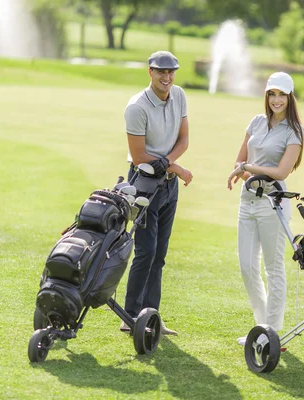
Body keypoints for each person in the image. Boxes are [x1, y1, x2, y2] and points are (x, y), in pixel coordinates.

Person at [227, 72, 304, 345]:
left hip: (274, 204)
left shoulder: (294, 131)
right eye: (272, 94)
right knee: (248, 266)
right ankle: (261, 328)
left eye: (282, 94)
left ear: (290, 97)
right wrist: (249, 173)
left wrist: (249, 169)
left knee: (273, 268)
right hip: (248, 201)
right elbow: (239, 159)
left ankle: (272, 333)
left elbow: (281, 171)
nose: (276, 100)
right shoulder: (257, 122)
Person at [121, 50, 193, 335]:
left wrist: (171, 166)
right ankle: (130, 317)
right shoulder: (137, 107)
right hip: (144, 183)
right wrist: (176, 168)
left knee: (159, 254)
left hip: (168, 185)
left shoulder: (180, 95)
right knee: (145, 251)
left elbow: (184, 138)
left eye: (171, 71)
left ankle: (151, 317)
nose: (167, 76)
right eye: (160, 71)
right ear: (149, 72)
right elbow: (139, 157)